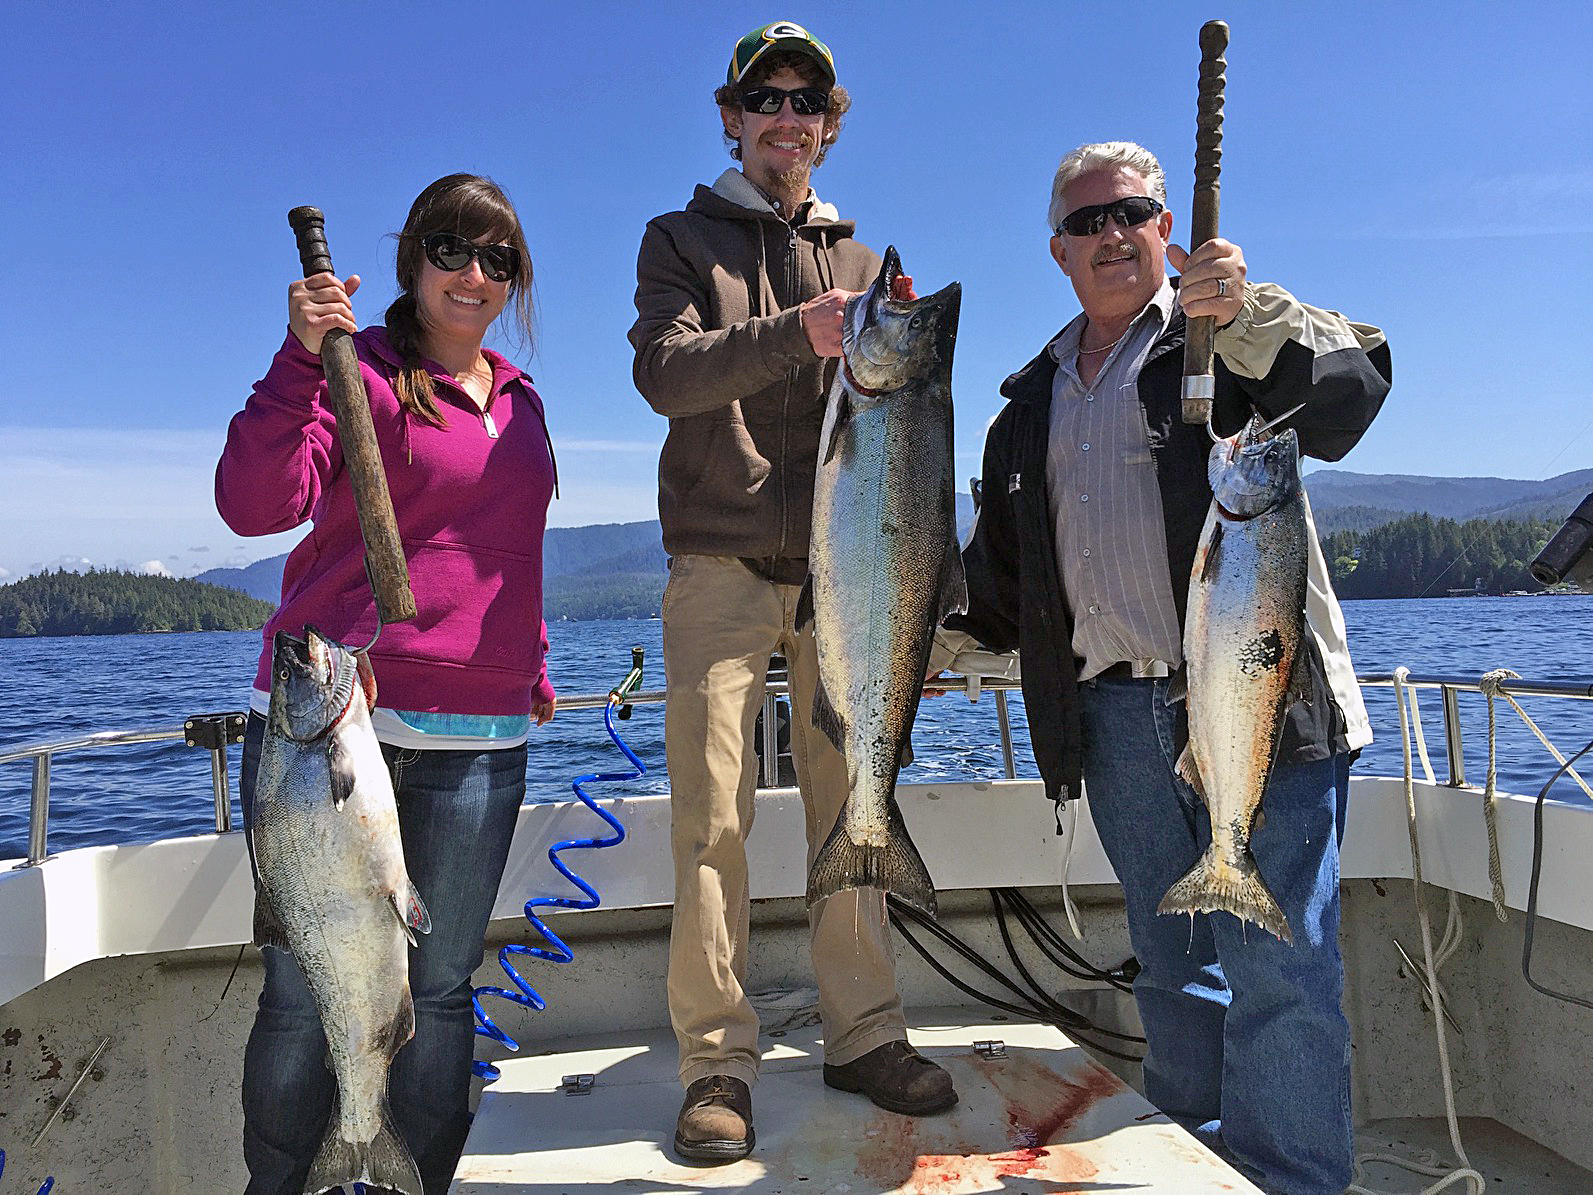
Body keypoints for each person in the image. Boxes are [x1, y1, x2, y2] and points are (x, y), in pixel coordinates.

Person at [936, 142, 1391, 1195]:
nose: (1111, 235)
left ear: (1165, 231)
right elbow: (1001, 591)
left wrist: (1250, 313)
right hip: (1113, 721)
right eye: (1088, 222)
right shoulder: (1025, 409)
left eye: (1131, 213)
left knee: (1282, 970)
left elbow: (1351, 392)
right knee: (1176, 970)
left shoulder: (1226, 347)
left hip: (1264, 704)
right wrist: (909, 649)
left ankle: (1290, 1179)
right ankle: (1194, 1164)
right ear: (1056, 250)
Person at [628, 19, 956, 1165]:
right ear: (731, 116)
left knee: (851, 794)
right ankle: (716, 1061)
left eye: (807, 102)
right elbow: (663, 373)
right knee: (710, 819)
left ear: (829, 124)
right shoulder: (678, 238)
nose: (787, 117)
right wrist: (793, 334)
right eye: (765, 98)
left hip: (845, 576)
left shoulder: (869, 265)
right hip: (715, 565)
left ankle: (864, 1029)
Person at [216, 173, 558, 1195]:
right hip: (336, 728)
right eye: (453, 248)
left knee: (442, 991)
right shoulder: (350, 370)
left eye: (499, 259)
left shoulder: (523, 401)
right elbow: (251, 503)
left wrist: (531, 663)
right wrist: (295, 357)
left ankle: (410, 1180)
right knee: (297, 996)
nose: (475, 273)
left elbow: (507, 553)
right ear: (412, 257)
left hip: (484, 736)